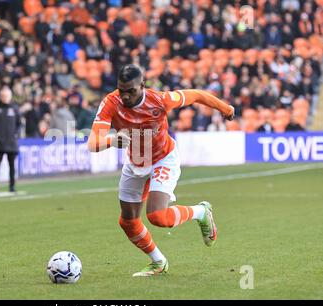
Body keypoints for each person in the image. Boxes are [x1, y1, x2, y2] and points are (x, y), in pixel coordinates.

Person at [87, 64, 234, 277]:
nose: (125, 96)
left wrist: (226, 109)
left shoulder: (160, 100)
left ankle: (201, 212)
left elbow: (196, 95)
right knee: (127, 222)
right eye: (122, 90)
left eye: (131, 90)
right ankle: (158, 262)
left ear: (142, 86)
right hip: (136, 162)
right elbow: (92, 143)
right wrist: (111, 139)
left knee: (157, 216)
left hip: (163, 159)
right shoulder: (111, 102)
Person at [0, 86, 21, 193]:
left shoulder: (15, 109)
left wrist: (15, 135)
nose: (5, 98)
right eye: (3, 96)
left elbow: (19, 124)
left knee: (12, 166)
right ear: (0, 96)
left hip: (12, 143)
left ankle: (12, 186)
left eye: (7, 96)